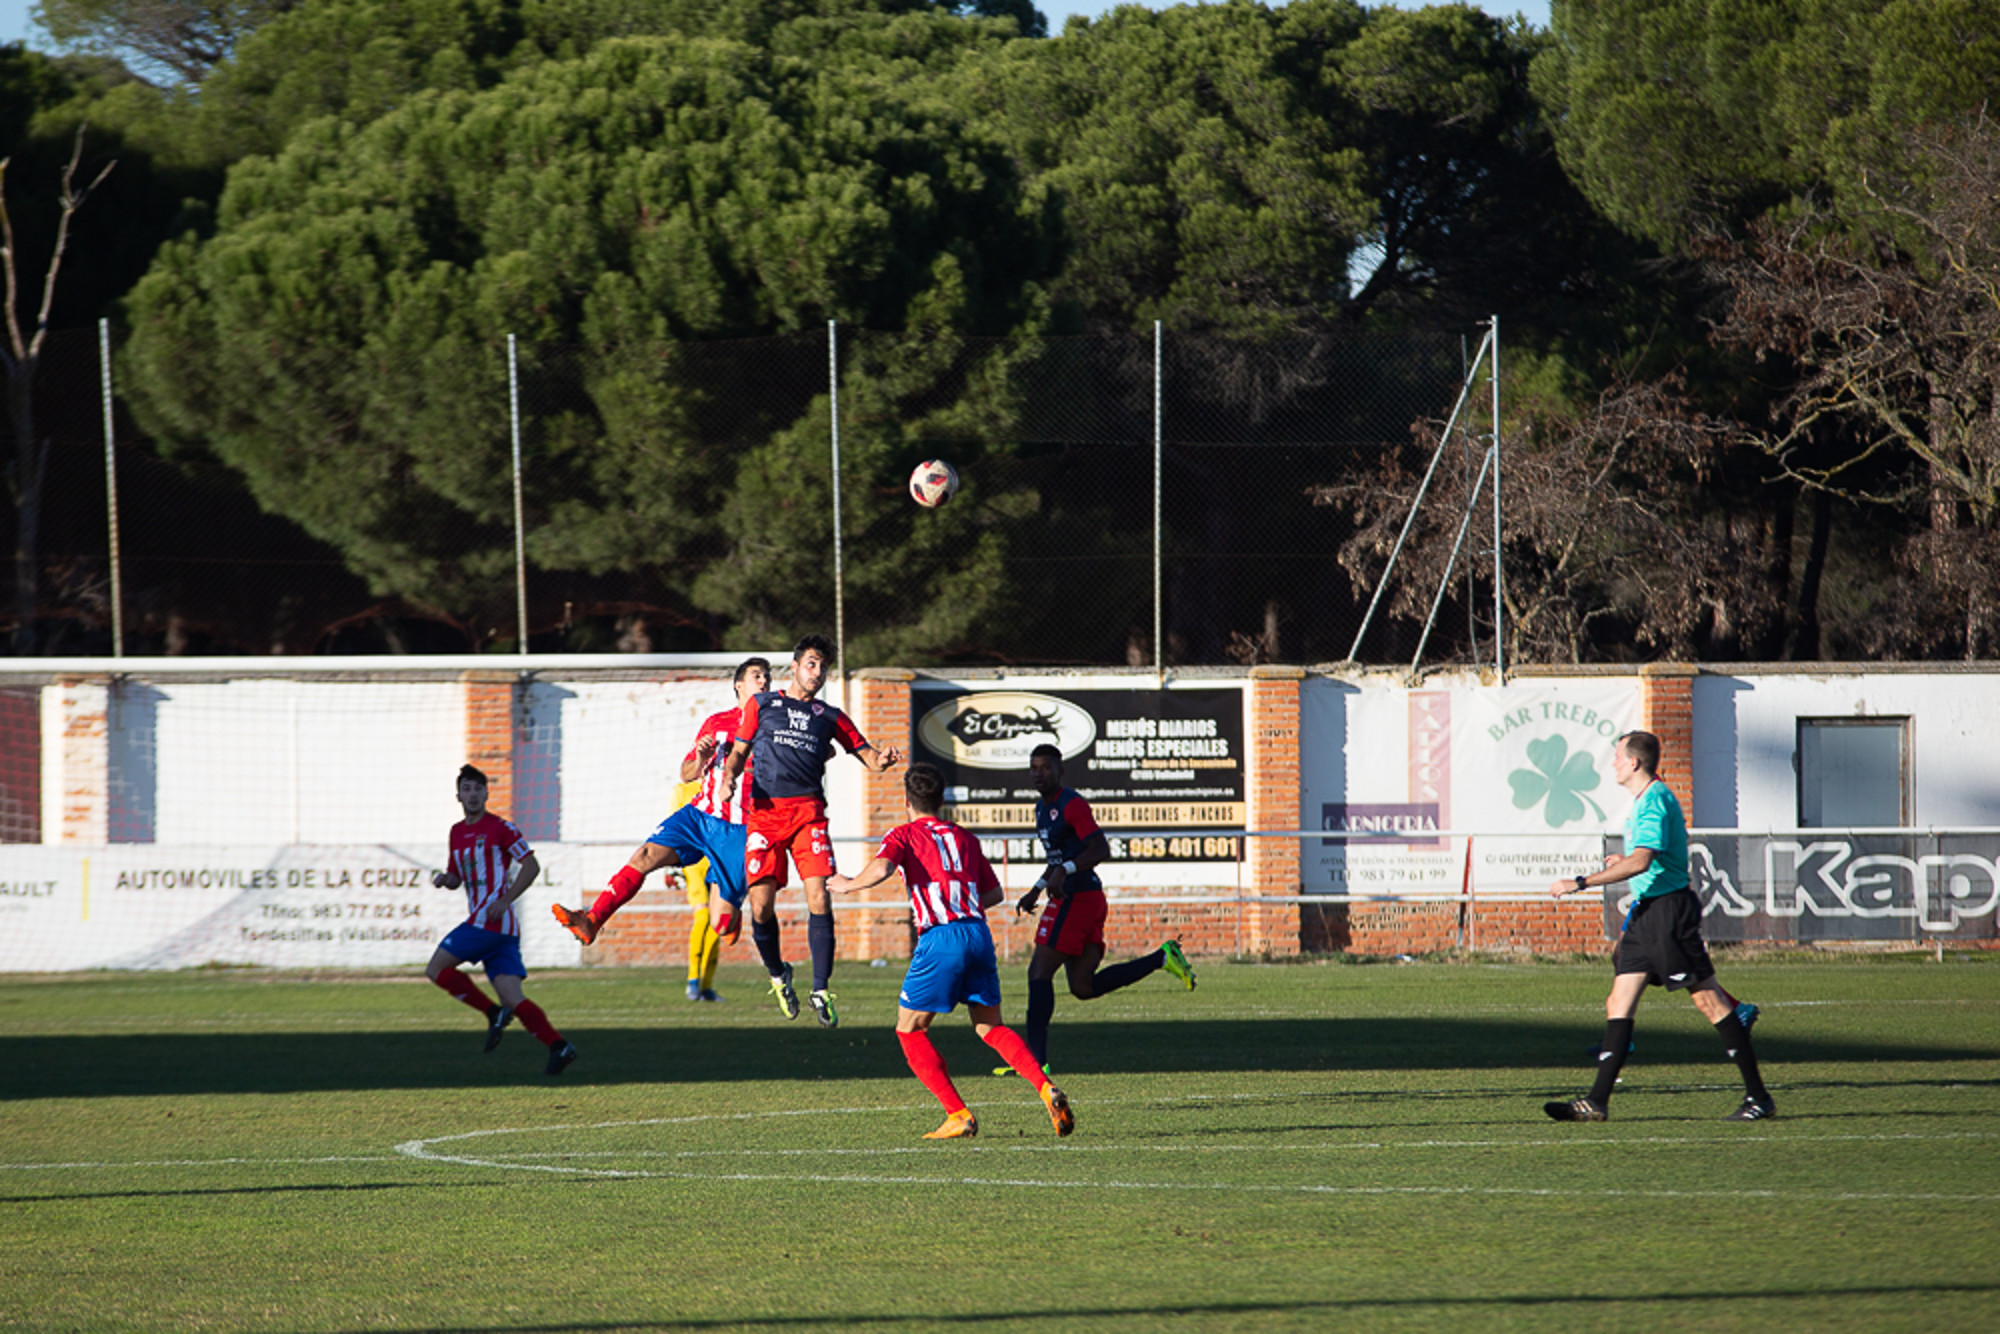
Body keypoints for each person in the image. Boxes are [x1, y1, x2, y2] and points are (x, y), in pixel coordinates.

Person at [829, 762, 1073, 1140]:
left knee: (909, 1029)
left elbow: (880, 868)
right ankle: (1045, 1088)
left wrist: (846, 885)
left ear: (907, 801)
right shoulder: (965, 838)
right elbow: (993, 893)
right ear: (941, 800)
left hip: (941, 938)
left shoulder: (904, 834)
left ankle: (957, 1113)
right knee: (990, 1026)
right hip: (977, 933)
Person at [1545, 730, 1773, 1122]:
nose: (1613, 763)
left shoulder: (1653, 801)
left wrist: (1580, 882)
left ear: (1634, 762)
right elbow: (1645, 857)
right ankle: (1596, 1102)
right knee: (1619, 1001)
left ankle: (1758, 1098)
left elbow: (1644, 861)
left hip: (1668, 914)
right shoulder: (1647, 800)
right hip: (1647, 913)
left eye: (1618, 757)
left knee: (1709, 1002)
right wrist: (1624, 861)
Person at [720, 635, 903, 1029]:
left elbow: (867, 755)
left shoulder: (829, 716)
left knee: (820, 895)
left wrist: (882, 759)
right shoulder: (762, 704)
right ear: (795, 665)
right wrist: (728, 778)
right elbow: (738, 751)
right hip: (765, 816)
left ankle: (821, 988)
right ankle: (778, 974)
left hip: (808, 815)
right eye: (811, 664)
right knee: (760, 906)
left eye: (823, 667)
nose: (817, 674)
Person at [552, 657, 769, 971]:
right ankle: (592, 920)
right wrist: (703, 760)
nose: (763, 682)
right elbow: (686, 773)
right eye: (756, 676)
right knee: (644, 855)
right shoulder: (717, 722)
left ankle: (726, 903)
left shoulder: (774, 726)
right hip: (698, 816)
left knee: (720, 924)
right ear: (739, 685)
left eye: (766, 677)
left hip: (739, 829)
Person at [1009, 744, 1196, 1073]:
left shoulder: (1072, 804)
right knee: (1083, 987)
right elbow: (1057, 859)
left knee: (1039, 972)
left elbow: (1100, 848)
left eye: (1045, 767)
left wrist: (1063, 873)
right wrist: (1036, 889)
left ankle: (1035, 1063)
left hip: (1077, 898)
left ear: (1059, 769)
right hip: (1078, 897)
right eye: (1033, 767)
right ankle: (1162, 957)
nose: (1038, 773)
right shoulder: (1041, 807)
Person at [425, 764, 578, 1077]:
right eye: (466, 789)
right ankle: (558, 1046)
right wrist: (445, 879)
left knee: (436, 968)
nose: (472, 795)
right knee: (513, 996)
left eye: (478, 789)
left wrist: (506, 900)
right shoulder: (456, 832)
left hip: (491, 921)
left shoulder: (501, 828)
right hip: (499, 930)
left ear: (486, 794)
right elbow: (457, 877)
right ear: (458, 795)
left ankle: (493, 1013)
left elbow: (531, 866)